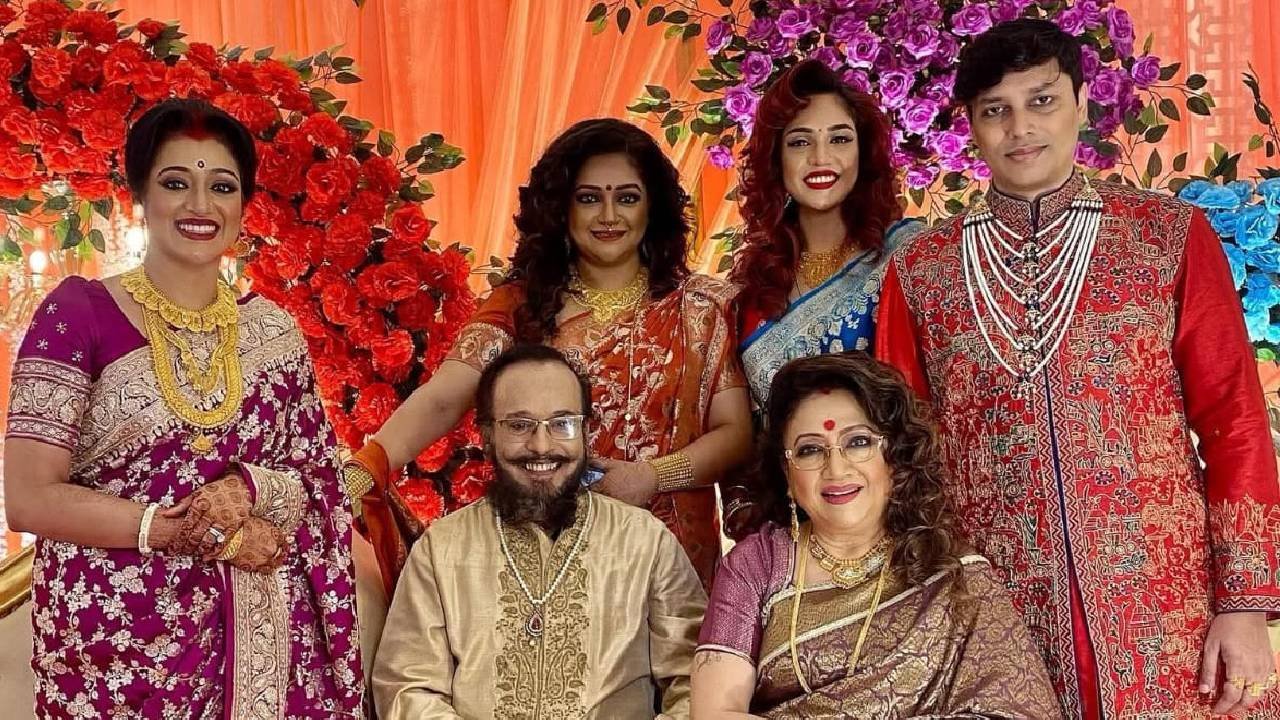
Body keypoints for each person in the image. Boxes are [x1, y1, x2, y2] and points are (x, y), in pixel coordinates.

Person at [876, 19, 1280, 720]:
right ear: (970, 125)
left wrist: (1244, 605)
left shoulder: (1167, 236)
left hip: (1166, 609)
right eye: (996, 110)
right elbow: (899, 456)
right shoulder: (920, 271)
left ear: (1082, 103)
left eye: (1042, 100)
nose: (1021, 128)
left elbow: (1234, 420)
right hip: (997, 619)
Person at [3, 99, 362, 717]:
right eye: (175, 183)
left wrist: (251, 488)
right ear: (140, 195)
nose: (201, 205)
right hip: (116, 652)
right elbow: (30, 498)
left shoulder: (273, 331)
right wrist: (179, 531)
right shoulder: (79, 314)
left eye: (221, 186)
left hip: (261, 646)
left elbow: (321, 478)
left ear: (244, 206)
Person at [347, 118, 752, 593]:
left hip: (670, 564)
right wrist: (367, 466)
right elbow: (445, 397)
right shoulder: (522, 307)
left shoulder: (701, 309)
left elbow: (736, 433)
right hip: (545, 554)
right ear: (561, 207)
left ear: (653, 207)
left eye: (627, 198)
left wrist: (652, 476)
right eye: (588, 198)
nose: (609, 216)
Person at [691, 353, 1059, 718]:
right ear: (788, 476)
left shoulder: (954, 574)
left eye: (858, 442)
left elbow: (1016, 711)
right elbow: (713, 713)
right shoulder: (756, 565)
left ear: (895, 459)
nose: (836, 468)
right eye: (810, 449)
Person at [372, 344, 705, 718]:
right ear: (487, 436)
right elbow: (408, 688)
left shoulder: (645, 542)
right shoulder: (441, 550)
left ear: (586, 431)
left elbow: (696, 683)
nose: (542, 446)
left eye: (563, 424)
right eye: (519, 425)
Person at [731, 59, 918, 410]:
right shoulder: (754, 289)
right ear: (776, 159)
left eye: (840, 139)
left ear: (863, 152)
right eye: (800, 142)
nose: (820, 157)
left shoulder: (909, 255)